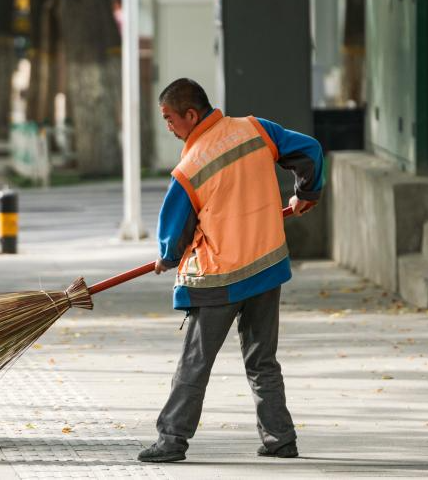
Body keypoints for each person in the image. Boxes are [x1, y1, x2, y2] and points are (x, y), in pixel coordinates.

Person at [138, 78, 323, 464]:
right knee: (262, 359)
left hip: (217, 279)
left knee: (195, 362)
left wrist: (167, 256)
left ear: (191, 114)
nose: (168, 127)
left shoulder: (189, 168)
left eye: (170, 119)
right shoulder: (256, 129)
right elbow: (309, 150)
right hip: (266, 266)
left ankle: (172, 440)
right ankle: (280, 438)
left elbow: (174, 230)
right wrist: (307, 193)